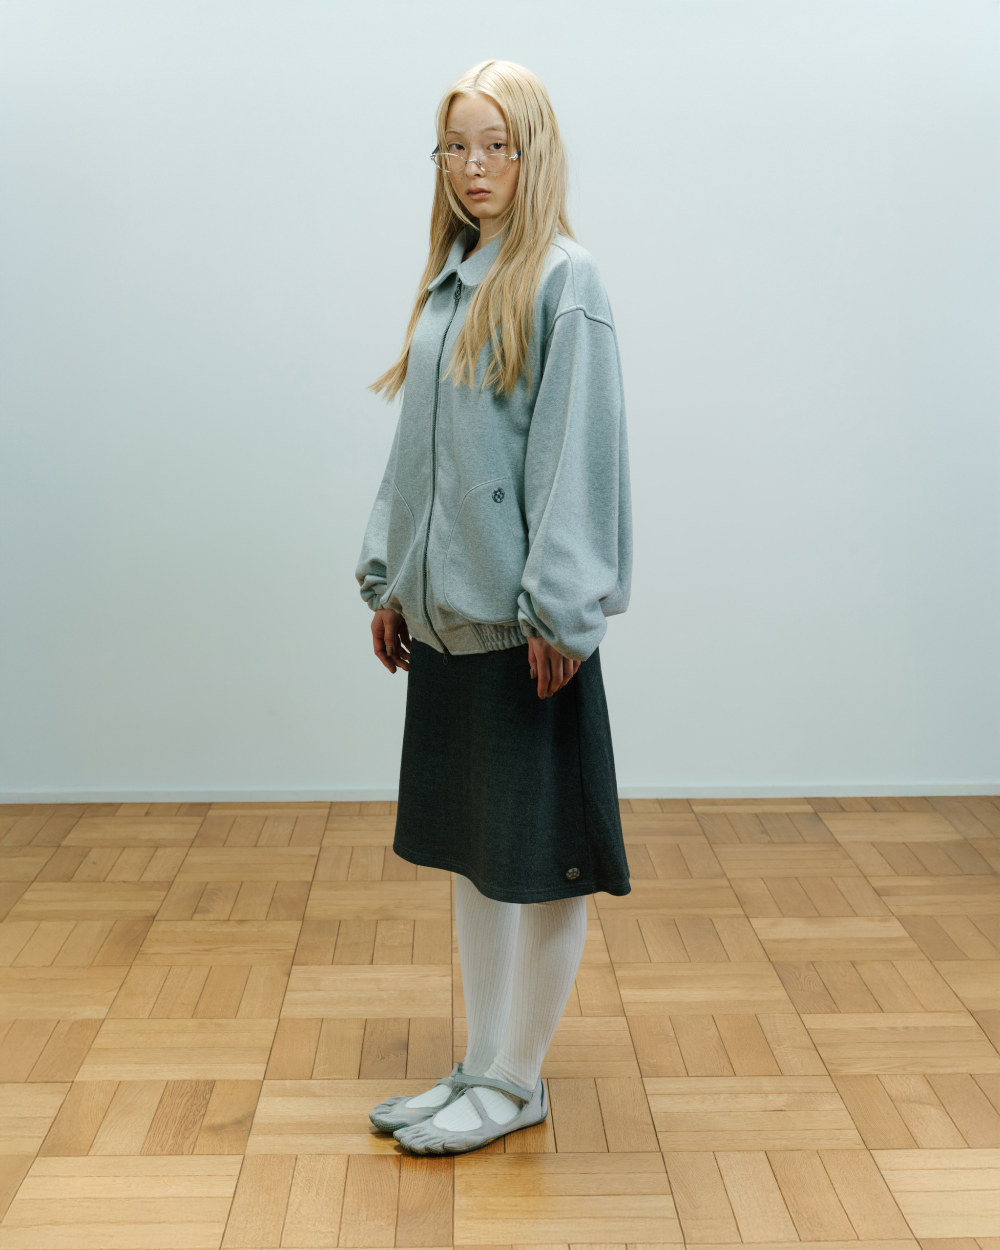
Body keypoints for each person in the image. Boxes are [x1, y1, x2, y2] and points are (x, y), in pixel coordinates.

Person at [355, 59, 633, 1155]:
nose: (474, 167)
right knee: (480, 852)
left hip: (525, 633)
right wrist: (389, 576)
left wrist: (561, 612)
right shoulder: (453, 279)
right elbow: (416, 451)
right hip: (450, 620)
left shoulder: (567, 280)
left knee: (541, 856)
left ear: (533, 151)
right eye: (456, 147)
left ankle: (518, 1078)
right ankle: (480, 1064)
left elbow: (576, 451)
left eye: (496, 145)